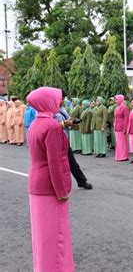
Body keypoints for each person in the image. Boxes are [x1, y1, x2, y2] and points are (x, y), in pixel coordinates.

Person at [26, 87, 74, 271]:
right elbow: (55, 162)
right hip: (50, 186)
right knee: (56, 236)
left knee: (42, 236)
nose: (59, 102)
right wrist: (62, 191)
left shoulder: (36, 123)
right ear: (48, 102)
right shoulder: (52, 126)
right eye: (56, 99)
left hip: (36, 183)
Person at [55, 91, 93, 190]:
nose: (62, 101)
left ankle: (81, 181)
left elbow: (69, 119)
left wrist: (74, 121)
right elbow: (49, 125)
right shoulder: (50, 110)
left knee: (72, 162)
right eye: (61, 98)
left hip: (64, 139)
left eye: (63, 98)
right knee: (56, 164)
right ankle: (56, 184)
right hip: (54, 140)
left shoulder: (62, 109)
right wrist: (64, 123)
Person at [114, 94, 129, 161]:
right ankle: (119, 155)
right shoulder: (117, 108)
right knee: (118, 142)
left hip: (122, 127)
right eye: (115, 99)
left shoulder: (124, 108)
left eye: (117, 99)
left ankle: (124, 156)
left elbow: (126, 119)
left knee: (122, 142)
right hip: (117, 126)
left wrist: (125, 128)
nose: (116, 101)